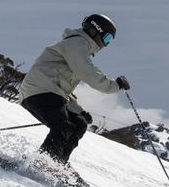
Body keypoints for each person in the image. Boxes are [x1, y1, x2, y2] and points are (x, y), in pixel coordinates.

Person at [17, 13, 131, 169]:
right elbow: (89, 73)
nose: (106, 44)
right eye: (107, 38)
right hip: (38, 92)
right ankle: (43, 162)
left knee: (79, 123)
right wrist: (115, 85)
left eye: (109, 41)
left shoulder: (79, 47)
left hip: (49, 93)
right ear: (95, 31)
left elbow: (63, 87)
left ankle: (58, 165)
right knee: (63, 126)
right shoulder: (77, 44)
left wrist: (79, 110)